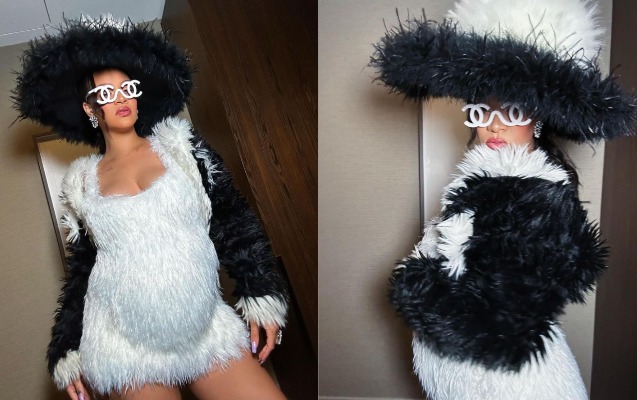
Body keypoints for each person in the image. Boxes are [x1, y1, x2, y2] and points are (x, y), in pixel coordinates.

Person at [371, 0, 636, 399]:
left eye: (511, 111)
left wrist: (415, 285)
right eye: (481, 111)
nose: (494, 126)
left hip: (508, 383)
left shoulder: (534, 193)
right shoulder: (486, 180)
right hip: (468, 375)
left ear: (538, 118)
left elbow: (498, 325)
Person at [13, 16, 288, 400]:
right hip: (124, 344)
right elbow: (83, 270)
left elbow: (232, 219)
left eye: (127, 88)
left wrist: (261, 291)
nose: (120, 98)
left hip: (205, 327)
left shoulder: (181, 147)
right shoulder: (81, 183)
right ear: (90, 108)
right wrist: (67, 345)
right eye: (106, 93)